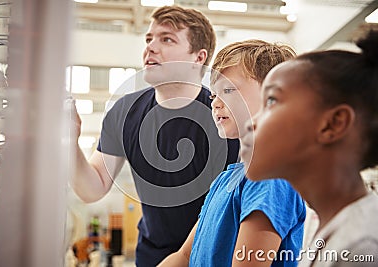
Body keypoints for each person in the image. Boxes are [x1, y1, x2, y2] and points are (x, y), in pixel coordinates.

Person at [70, 5, 239, 266]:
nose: (151, 47)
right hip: (151, 256)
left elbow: (228, 206)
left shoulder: (223, 116)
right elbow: (92, 188)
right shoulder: (124, 112)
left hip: (210, 255)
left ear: (198, 57)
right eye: (149, 38)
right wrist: (71, 143)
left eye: (167, 39)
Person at [158, 40, 306, 266]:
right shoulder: (226, 180)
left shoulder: (271, 178)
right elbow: (185, 256)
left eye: (228, 90)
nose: (215, 103)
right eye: (213, 95)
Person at [243, 30, 378, 266]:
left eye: (272, 101)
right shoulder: (328, 226)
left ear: (333, 124)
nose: (251, 121)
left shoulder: (361, 247)